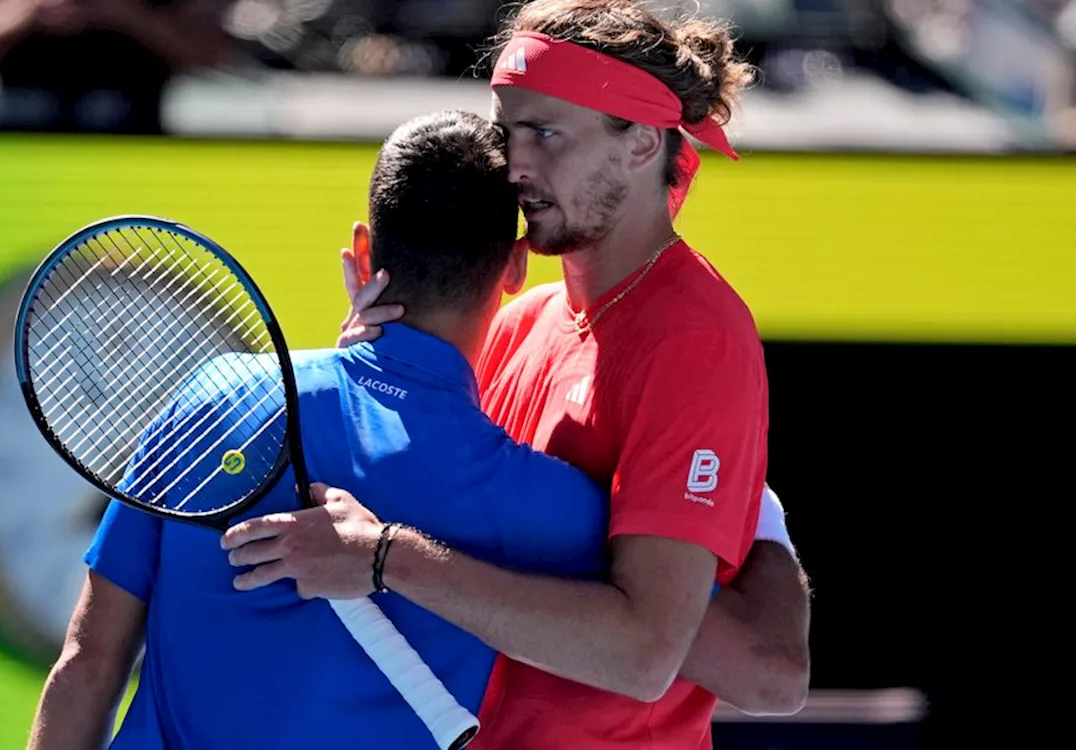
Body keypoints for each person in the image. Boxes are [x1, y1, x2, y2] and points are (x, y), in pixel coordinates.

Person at [28, 110, 802, 750]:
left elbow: (85, 665)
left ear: (365, 252)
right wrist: (755, 507)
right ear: (513, 270)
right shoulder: (550, 509)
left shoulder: (212, 396)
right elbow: (768, 673)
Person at [222, 1, 812, 748]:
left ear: (639, 142)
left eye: (546, 132)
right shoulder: (518, 322)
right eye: (508, 131)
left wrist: (383, 558)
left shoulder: (696, 338)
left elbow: (642, 654)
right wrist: (371, 376)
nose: (514, 164)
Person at [0, 0, 230, 133]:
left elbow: (210, 53)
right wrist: (23, 12)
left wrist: (123, 14)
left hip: (132, 162)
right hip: (13, 163)